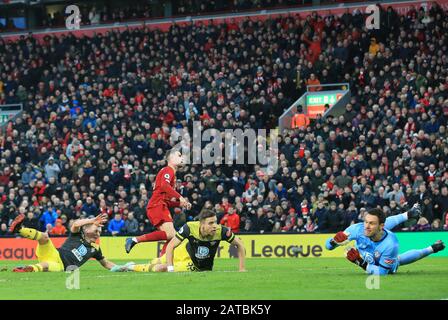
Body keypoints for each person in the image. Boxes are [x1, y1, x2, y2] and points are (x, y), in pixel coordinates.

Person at [325, 204, 445, 275]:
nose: (366, 226)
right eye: (366, 222)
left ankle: (431, 249)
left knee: (398, 261)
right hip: (372, 254)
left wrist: (360, 262)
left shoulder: (391, 244)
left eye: (371, 223)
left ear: (381, 226)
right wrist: (334, 241)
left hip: (383, 263)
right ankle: (409, 214)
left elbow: (382, 272)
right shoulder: (357, 229)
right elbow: (327, 247)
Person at [113, 210, 246, 273]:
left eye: (215, 222)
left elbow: (239, 245)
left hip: (195, 265)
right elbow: (171, 245)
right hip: (184, 250)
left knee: (161, 269)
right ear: (201, 224)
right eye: (211, 223)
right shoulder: (189, 227)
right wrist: (172, 268)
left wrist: (241, 268)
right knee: (157, 261)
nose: (214, 226)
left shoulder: (221, 231)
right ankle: (133, 264)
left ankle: (129, 267)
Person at [125, 149, 191, 255]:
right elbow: (165, 186)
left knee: (172, 236)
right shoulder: (168, 170)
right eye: (179, 155)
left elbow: (166, 200)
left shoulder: (170, 173)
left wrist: (180, 204)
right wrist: (180, 197)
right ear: (171, 158)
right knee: (172, 235)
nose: (182, 158)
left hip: (158, 205)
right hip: (157, 206)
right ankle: (134, 240)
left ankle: (161, 259)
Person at [7, 213, 117, 272]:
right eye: (96, 230)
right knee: (45, 237)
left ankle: (27, 269)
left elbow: (106, 264)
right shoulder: (77, 235)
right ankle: (19, 229)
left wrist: (121, 268)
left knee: (45, 266)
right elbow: (75, 224)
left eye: (99, 232)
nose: (98, 234)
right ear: (87, 229)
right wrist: (92, 220)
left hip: (62, 266)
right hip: (54, 253)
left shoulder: (95, 248)